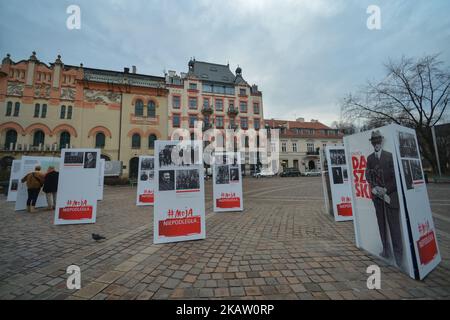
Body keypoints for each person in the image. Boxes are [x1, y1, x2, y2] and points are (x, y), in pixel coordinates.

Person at [365, 130, 403, 268]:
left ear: (381, 142)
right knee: (381, 224)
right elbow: (367, 175)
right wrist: (374, 187)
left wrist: (386, 189)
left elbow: (395, 177)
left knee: (394, 226)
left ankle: (399, 256)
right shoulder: (370, 158)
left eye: (378, 141)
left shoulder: (389, 156)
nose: (376, 144)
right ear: (372, 144)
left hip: (390, 196)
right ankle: (386, 250)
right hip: (377, 197)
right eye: (374, 142)